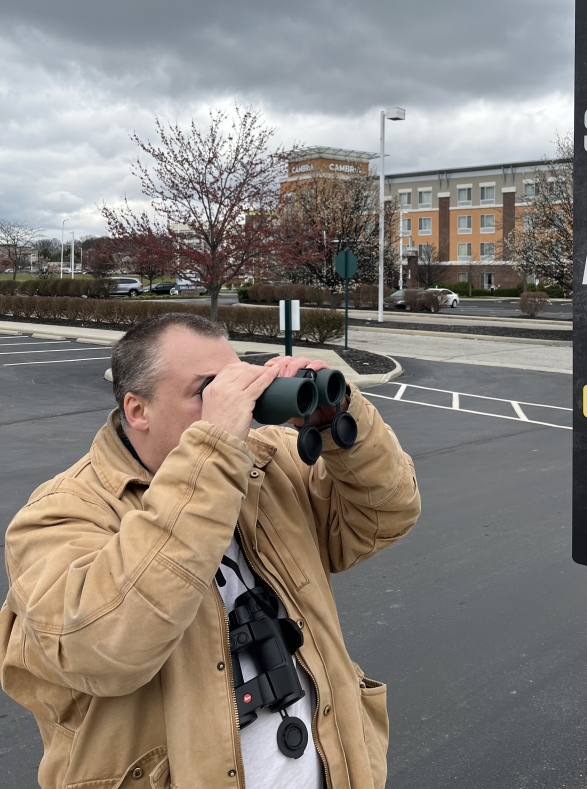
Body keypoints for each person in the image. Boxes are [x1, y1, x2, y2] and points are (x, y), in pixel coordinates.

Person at [0, 313, 420, 789]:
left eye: (238, 380)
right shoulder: (59, 515)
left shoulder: (266, 462)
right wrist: (213, 454)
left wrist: (343, 423)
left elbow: (387, 515)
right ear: (138, 410)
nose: (235, 401)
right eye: (209, 389)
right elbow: (106, 648)